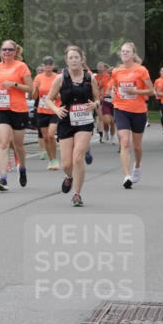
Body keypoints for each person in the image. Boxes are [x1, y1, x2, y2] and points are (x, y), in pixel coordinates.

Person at [42, 45, 99, 207]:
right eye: (71, 58)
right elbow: (48, 98)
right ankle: (69, 176)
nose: (74, 60)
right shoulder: (60, 78)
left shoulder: (90, 78)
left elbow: (98, 98)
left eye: (76, 57)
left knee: (78, 157)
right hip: (66, 120)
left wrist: (95, 105)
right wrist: (55, 109)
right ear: (66, 61)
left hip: (85, 121)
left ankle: (77, 194)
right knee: (67, 164)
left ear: (82, 60)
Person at [0, 40, 33, 192]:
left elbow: (31, 89)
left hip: (19, 110)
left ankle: (23, 168)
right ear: (0, 52)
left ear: (15, 52)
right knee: (4, 143)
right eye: (4, 49)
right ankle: (3, 178)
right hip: (1, 108)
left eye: (10, 50)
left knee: (18, 145)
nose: (6, 52)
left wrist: (14, 85)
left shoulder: (21, 66)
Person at [108, 42, 153, 188]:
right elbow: (114, 88)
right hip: (121, 109)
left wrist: (136, 92)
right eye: (122, 51)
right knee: (125, 142)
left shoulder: (141, 70)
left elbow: (151, 91)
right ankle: (127, 176)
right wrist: (113, 94)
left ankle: (137, 167)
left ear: (133, 54)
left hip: (139, 111)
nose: (124, 53)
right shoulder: (116, 71)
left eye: (127, 51)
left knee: (137, 146)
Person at [32, 57, 60, 169]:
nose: (48, 66)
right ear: (43, 66)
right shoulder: (38, 77)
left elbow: (63, 94)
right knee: (46, 138)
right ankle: (52, 160)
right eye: (46, 64)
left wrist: (56, 95)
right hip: (42, 110)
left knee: (51, 134)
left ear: (53, 66)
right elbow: (34, 96)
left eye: (50, 64)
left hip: (54, 109)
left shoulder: (57, 77)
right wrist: (36, 89)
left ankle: (55, 159)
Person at [96, 62, 115, 144]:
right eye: (110, 71)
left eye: (112, 72)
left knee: (112, 122)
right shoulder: (104, 78)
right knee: (106, 121)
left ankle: (112, 138)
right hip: (106, 101)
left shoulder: (118, 79)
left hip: (115, 103)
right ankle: (106, 132)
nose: (111, 73)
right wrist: (100, 95)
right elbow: (99, 88)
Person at [152, 66, 163, 136]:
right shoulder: (157, 80)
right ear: (160, 72)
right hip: (159, 99)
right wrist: (155, 93)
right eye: (162, 71)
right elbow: (154, 89)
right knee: (162, 114)